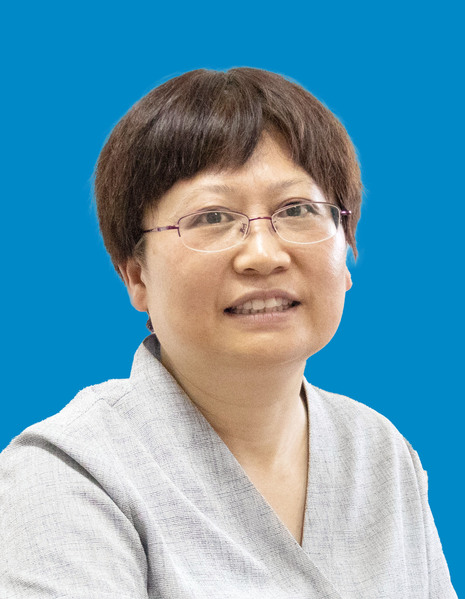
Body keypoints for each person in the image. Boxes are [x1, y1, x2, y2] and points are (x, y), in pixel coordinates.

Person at [0, 68, 456, 598]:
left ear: (347, 249)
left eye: (298, 210)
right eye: (212, 217)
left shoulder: (381, 452)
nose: (263, 254)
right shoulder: (69, 473)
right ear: (136, 275)